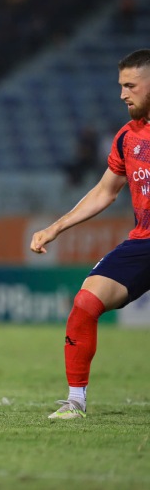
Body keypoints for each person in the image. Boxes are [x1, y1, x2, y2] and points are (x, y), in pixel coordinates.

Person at [30, 49, 150, 419]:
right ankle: (75, 402)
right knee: (85, 303)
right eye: (120, 86)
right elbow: (104, 191)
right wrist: (55, 227)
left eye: (130, 86)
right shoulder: (127, 138)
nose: (122, 95)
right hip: (144, 242)